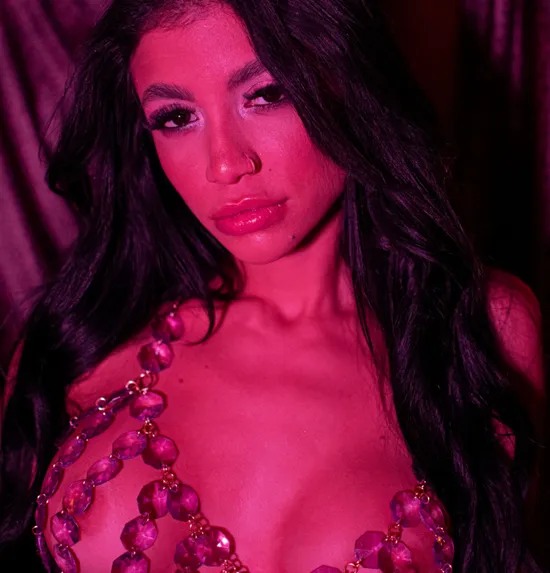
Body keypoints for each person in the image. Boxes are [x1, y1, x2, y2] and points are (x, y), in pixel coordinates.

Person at [0, 0, 545, 571]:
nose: (225, 165)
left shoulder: (482, 329)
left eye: (266, 94)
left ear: (351, 83)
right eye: (176, 117)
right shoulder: (81, 339)